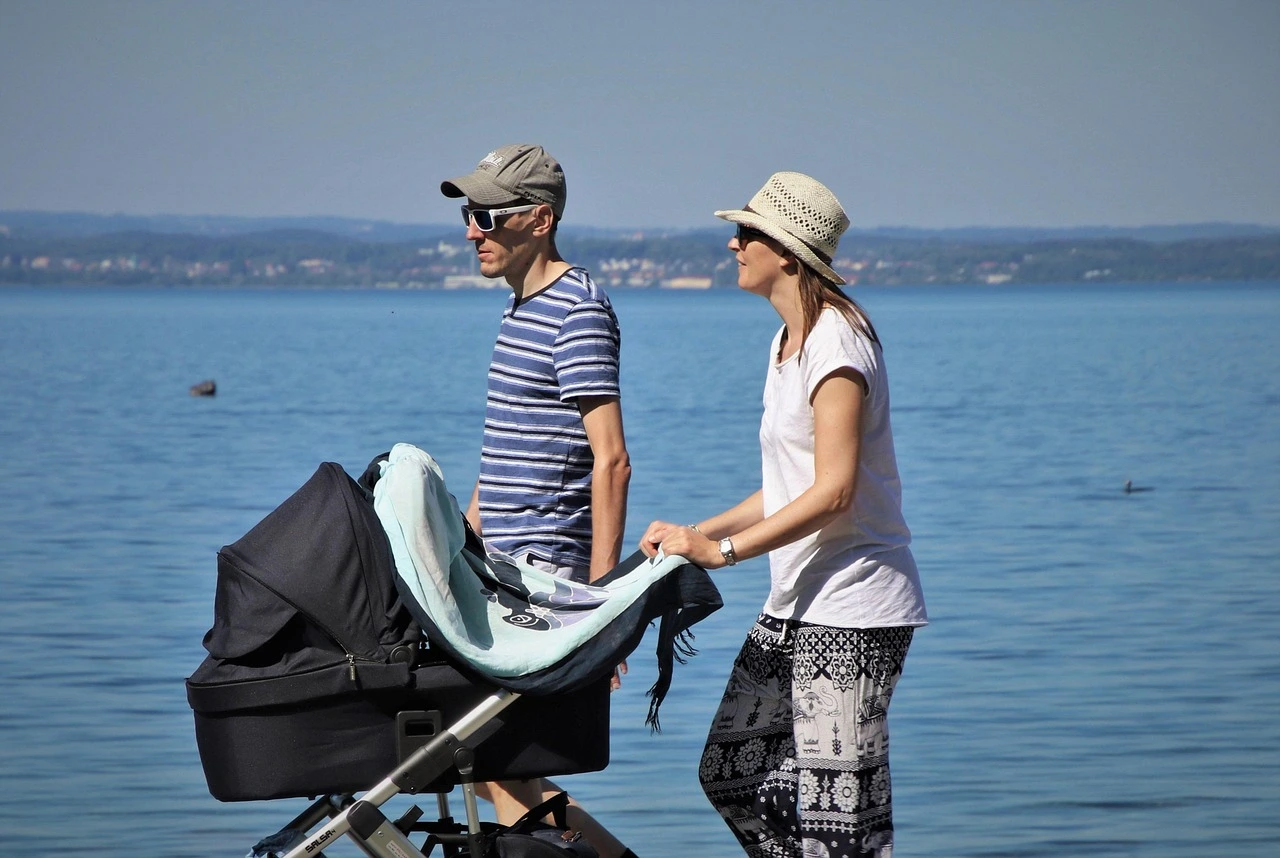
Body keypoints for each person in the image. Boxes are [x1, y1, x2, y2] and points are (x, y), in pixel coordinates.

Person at [639, 172, 927, 858]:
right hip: (797, 605)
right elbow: (789, 485)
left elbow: (833, 493)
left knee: (844, 823)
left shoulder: (837, 347)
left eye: (747, 235)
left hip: (854, 609)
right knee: (732, 775)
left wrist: (725, 555)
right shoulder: (785, 345)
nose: (733, 244)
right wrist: (699, 533)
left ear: (788, 256)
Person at [440, 143, 636, 858]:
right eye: (469, 214)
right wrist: (457, 547)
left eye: (487, 216)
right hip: (500, 577)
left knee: (493, 757)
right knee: (493, 762)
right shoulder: (520, 312)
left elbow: (611, 461)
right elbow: (506, 452)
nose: (472, 232)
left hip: (545, 585)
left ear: (539, 219)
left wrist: (602, 607)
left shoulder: (576, 311)